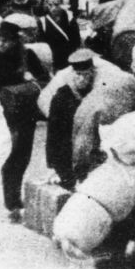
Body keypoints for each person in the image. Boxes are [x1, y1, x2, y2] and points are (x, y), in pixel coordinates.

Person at [0, 21, 51, 223]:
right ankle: (12, 202)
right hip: (3, 117)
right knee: (11, 159)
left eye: (6, 40)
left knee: (22, 157)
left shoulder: (27, 56)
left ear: (15, 40)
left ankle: (14, 200)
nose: (0, 43)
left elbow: (45, 80)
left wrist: (31, 79)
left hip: (26, 114)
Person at [45, 49, 95, 191]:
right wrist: (56, 166)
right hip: (67, 155)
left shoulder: (95, 92)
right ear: (72, 74)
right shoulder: (62, 97)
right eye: (78, 74)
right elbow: (53, 135)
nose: (82, 79)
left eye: (86, 75)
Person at [36, 0, 81, 71]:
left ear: (62, 3)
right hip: (54, 58)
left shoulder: (70, 18)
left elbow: (76, 40)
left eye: (56, 4)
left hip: (70, 55)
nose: (53, 8)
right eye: (50, 5)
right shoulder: (42, 21)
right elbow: (42, 43)